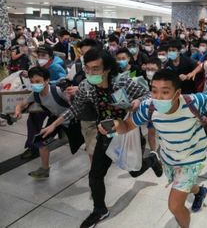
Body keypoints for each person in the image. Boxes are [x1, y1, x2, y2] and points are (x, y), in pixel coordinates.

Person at [113, 69, 207, 228]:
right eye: (154, 91)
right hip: (169, 156)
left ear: (177, 93)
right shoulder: (148, 107)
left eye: (165, 92)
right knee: (183, 184)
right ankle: (199, 192)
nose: (158, 97)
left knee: (174, 206)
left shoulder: (192, 102)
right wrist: (115, 125)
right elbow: (127, 126)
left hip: (192, 157)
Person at [40, 49, 162, 228]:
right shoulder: (86, 86)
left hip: (128, 132)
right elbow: (75, 109)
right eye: (87, 69)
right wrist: (54, 125)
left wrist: (139, 101)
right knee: (95, 175)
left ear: (106, 69)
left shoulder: (122, 81)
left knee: (134, 171)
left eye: (95, 69)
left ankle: (151, 159)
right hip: (104, 133)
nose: (90, 73)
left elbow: (150, 94)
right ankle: (100, 210)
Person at [15, 67, 70, 178]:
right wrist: (18, 111)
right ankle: (45, 170)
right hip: (56, 119)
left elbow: (74, 106)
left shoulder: (57, 91)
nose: (35, 84)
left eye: (38, 81)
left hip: (72, 119)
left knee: (88, 145)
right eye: (32, 82)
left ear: (46, 80)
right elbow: (21, 104)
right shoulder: (35, 94)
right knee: (40, 141)